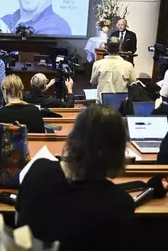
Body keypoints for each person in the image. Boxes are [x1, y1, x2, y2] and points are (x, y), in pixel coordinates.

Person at [16, 105, 134, 249]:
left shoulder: (38, 170)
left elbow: (18, 223)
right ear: (119, 149)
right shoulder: (121, 204)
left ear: (74, 137)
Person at [90, 37, 136, 101]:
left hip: (102, 104)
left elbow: (93, 82)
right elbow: (132, 83)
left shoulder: (97, 64)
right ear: (120, 48)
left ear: (106, 49)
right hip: (121, 105)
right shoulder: (128, 65)